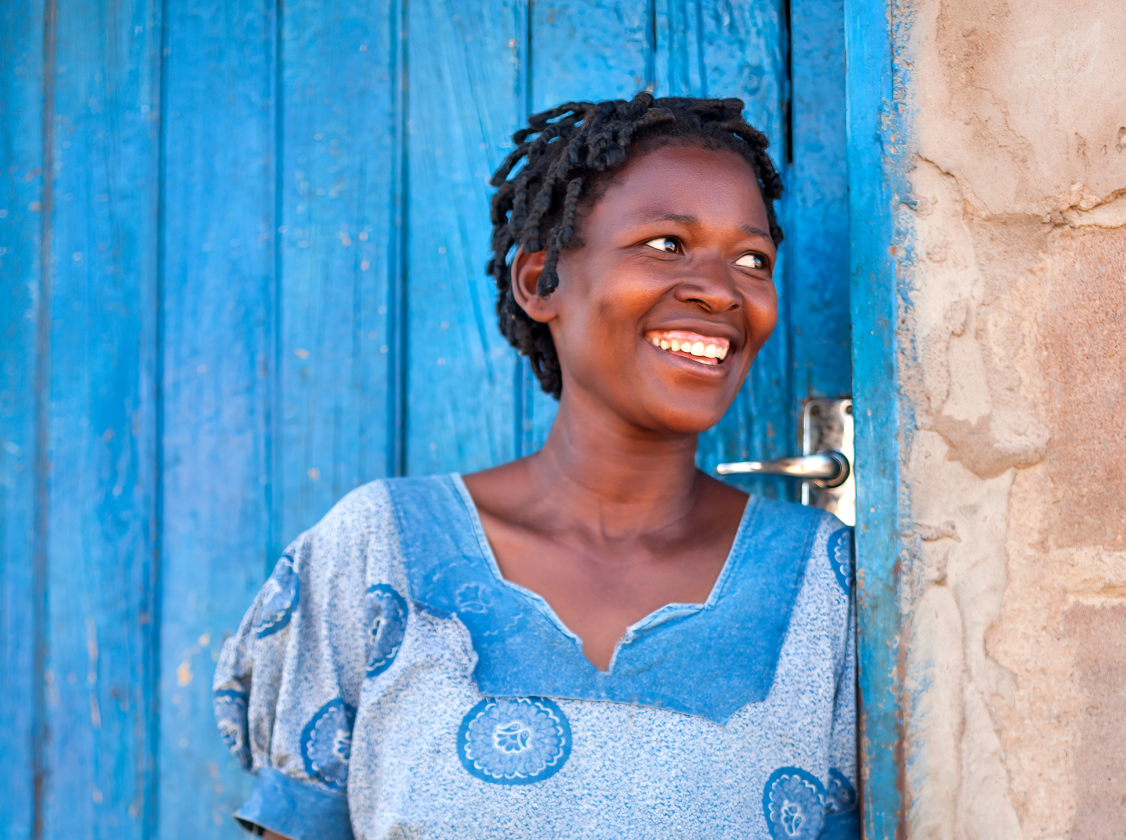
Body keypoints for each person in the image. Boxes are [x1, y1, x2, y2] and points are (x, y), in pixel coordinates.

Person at [213, 92, 858, 840]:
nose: (719, 289)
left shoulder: (824, 583)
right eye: (666, 245)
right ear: (539, 282)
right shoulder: (375, 549)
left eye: (753, 260)